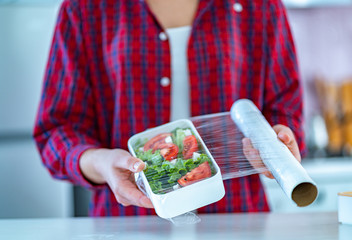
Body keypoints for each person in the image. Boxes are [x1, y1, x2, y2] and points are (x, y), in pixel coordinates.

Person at [33, 0, 305, 216]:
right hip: (128, 223)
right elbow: (57, 130)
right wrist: (100, 162)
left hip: (237, 218)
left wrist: (279, 142)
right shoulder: (85, 9)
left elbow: (286, 110)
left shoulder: (260, 6)